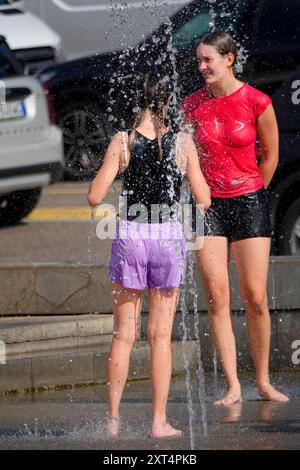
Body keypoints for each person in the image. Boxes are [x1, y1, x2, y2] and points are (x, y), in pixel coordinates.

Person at [88, 73, 211, 437]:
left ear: (139, 103)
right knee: (160, 336)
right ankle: (158, 423)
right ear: (168, 103)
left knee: (124, 334)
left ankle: (112, 422)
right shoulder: (183, 143)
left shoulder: (122, 141)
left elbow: (95, 196)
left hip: (131, 235)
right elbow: (204, 198)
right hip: (168, 237)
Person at [182, 31, 289, 405]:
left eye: (208, 59)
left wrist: (256, 191)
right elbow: (184, 159)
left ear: (229, 59)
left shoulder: (257, 101)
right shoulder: (191, 106)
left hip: (248, 200)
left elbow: (272, 154)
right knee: (216, 295)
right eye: (198, 60)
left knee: (255, 296)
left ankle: (262, 380)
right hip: (206, 206)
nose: (202, 67)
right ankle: (233, 385)